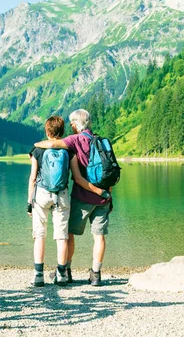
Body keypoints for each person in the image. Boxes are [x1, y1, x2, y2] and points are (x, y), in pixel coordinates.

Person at [34, 109, 112, 286]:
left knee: (68, 234)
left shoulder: (75, 140)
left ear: (76, 124)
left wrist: (36, 145)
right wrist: (108, 196)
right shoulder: (102, 141)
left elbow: (53, 145)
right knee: (99, 236)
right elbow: (109, 172)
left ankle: (65, 271)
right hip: (104, 198)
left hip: (83, 197)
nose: (70, 126)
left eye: (71, 123)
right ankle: (96, 274)